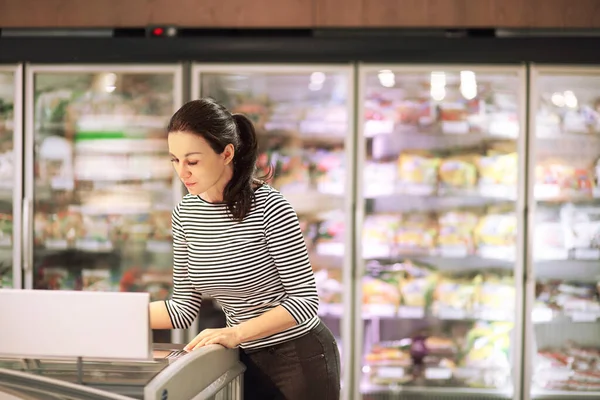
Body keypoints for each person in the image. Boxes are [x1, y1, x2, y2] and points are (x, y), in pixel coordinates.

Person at [149, 98, 341, 400]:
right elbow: (182, 309)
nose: (181, 172)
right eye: (174, 160)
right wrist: (115, 315)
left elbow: (304, 302)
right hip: (243, 358)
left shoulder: (271, 208)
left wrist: (235, 333)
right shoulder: (185, 214)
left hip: (298, 358)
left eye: (193, 161)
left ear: (227, 153)